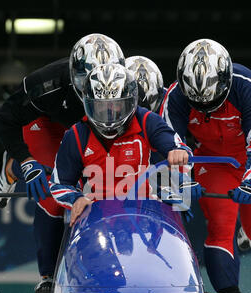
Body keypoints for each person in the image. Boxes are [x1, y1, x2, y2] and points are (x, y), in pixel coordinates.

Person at [0, 33, 125, 293]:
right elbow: (6, 119)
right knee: (54, 193)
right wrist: (26, 161)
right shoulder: (47, 84)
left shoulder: (131, 87)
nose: (98, 91)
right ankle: (48, 276)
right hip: (47, 126)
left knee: (109, 190)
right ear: (73, 76)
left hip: (98, 129)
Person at [160, 38, 251, 293]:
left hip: (249, 154)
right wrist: (185, 181)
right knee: (220, 227)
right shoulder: (174, 97)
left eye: (212, 101)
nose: (205, 107)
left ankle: (248, 233)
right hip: (211, 159)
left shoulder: (247, 85)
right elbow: (169, 145)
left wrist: (250, 183)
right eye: (197, 103)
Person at [49, 63, 191, 232]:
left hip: (144, 218)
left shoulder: (146, 120)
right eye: (100, 105)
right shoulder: (76, 134)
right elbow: (59, 183)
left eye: (116, 105)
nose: (108, 113)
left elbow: (180, 149)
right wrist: (76, 199)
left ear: (131, 101)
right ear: (88, 103)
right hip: (96, 222)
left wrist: (178, 153)